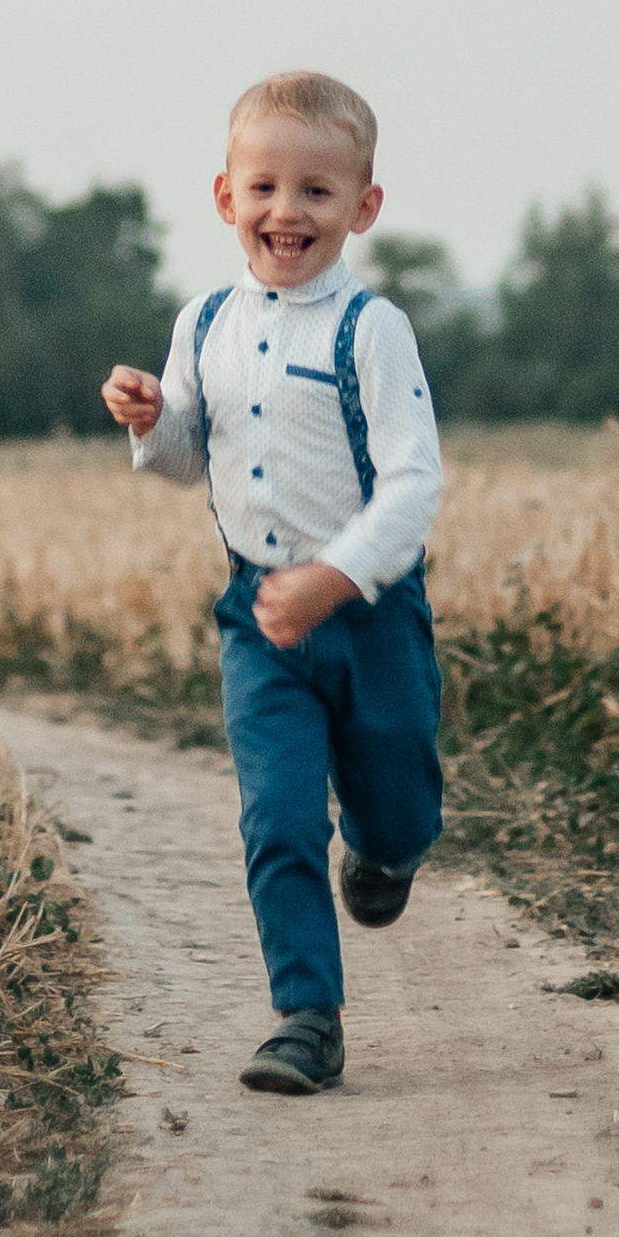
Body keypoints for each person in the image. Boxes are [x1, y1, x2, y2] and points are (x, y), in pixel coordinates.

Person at [102, 72, 446, 1094]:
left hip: (370, 613)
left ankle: (386, 853)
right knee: (278, 817)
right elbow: (185, 461)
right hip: (259, 618)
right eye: (263, 187)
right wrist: (151, 417)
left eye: (315, 191)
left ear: (362, 207)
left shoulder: (371, 329)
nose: (285, 211)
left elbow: (414, 484)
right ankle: (306, 1017)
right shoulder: (203, 321)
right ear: (225, 197)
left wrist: (331, 580)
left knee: (398, 801)